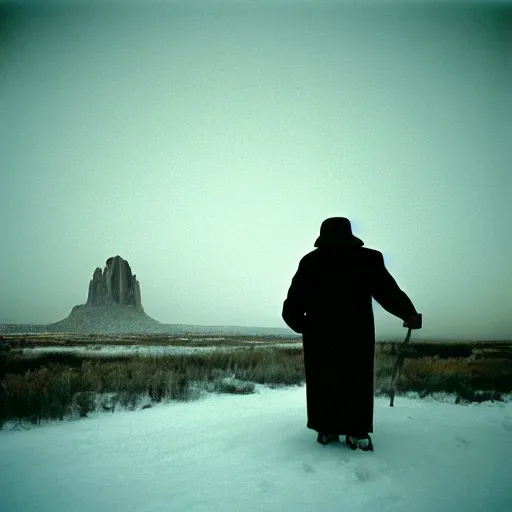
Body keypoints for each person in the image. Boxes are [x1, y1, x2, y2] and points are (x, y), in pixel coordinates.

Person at [282, 217, 421, 452]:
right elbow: (388, 293)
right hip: (357, 334)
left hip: (320, 337)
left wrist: (305, 326)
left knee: (324, 380)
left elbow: (292, 306)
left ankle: (327, 429)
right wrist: (408, 314)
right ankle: (357, 432)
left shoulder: (311, 261)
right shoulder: (368, 258)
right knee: (356, 380)